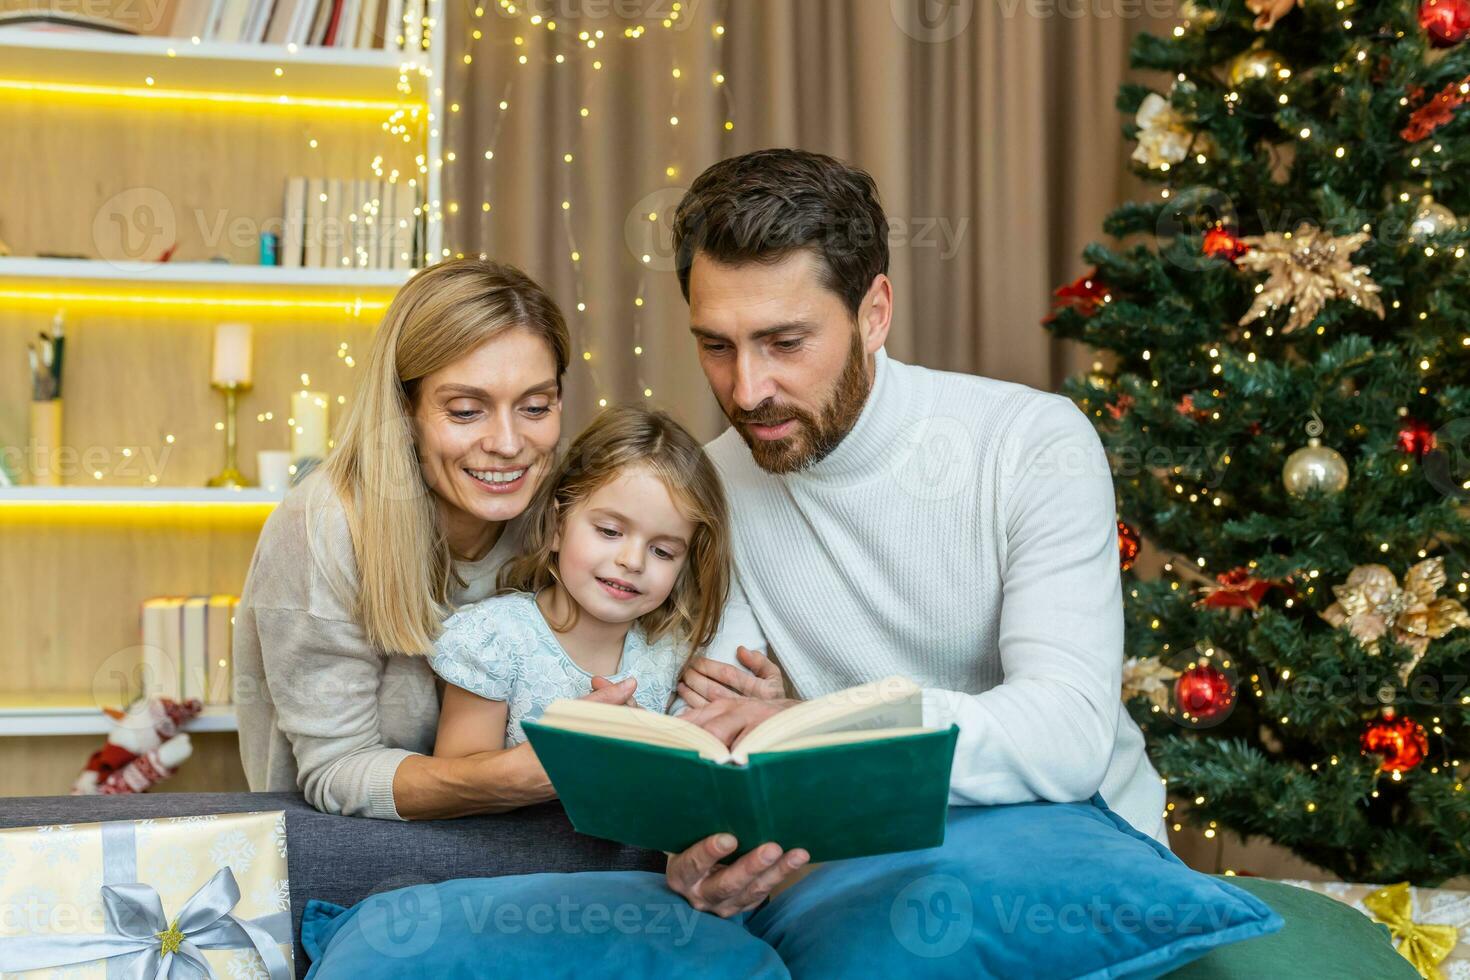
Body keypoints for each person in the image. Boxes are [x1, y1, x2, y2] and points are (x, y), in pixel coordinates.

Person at [659, 148, 1169, 918]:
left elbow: (1063, 737)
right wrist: (700, 837)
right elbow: (723, 725)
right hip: (861, 871)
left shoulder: (1032, 443)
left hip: (1073, 857)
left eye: (785, 343)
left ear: (875, 313)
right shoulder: (713, 483)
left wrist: (810, 724)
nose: (747, 389)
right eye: (716, 345)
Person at [233, 259, 644, 819]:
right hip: (360, 853)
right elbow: (336, 772)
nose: (507, 443)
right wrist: (523, 774)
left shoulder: (565, 507)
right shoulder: (323, 527)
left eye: (535, 407)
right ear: (405, 412)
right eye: (467, 410)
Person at [429, 406, 733, 759]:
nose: (632, 561)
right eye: (609, 531)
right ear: (558, 526)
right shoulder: (494, 640)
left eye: (663, 551)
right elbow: (460, 779)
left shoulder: (669, 654)